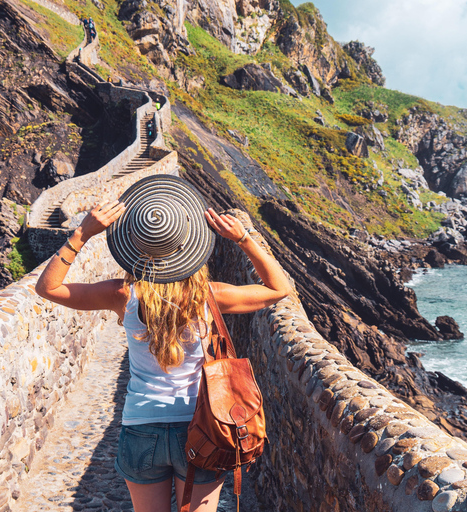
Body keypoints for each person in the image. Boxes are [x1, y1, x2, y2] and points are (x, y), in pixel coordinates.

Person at [35, 175, 291, 512]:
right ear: (190, 245)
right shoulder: (209, 295)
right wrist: (243, 238)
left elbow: (48, 288)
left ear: (133, 247)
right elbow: (278, 289)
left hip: (141, 428)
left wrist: (82, 234)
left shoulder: (121, 294)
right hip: (203, 427)